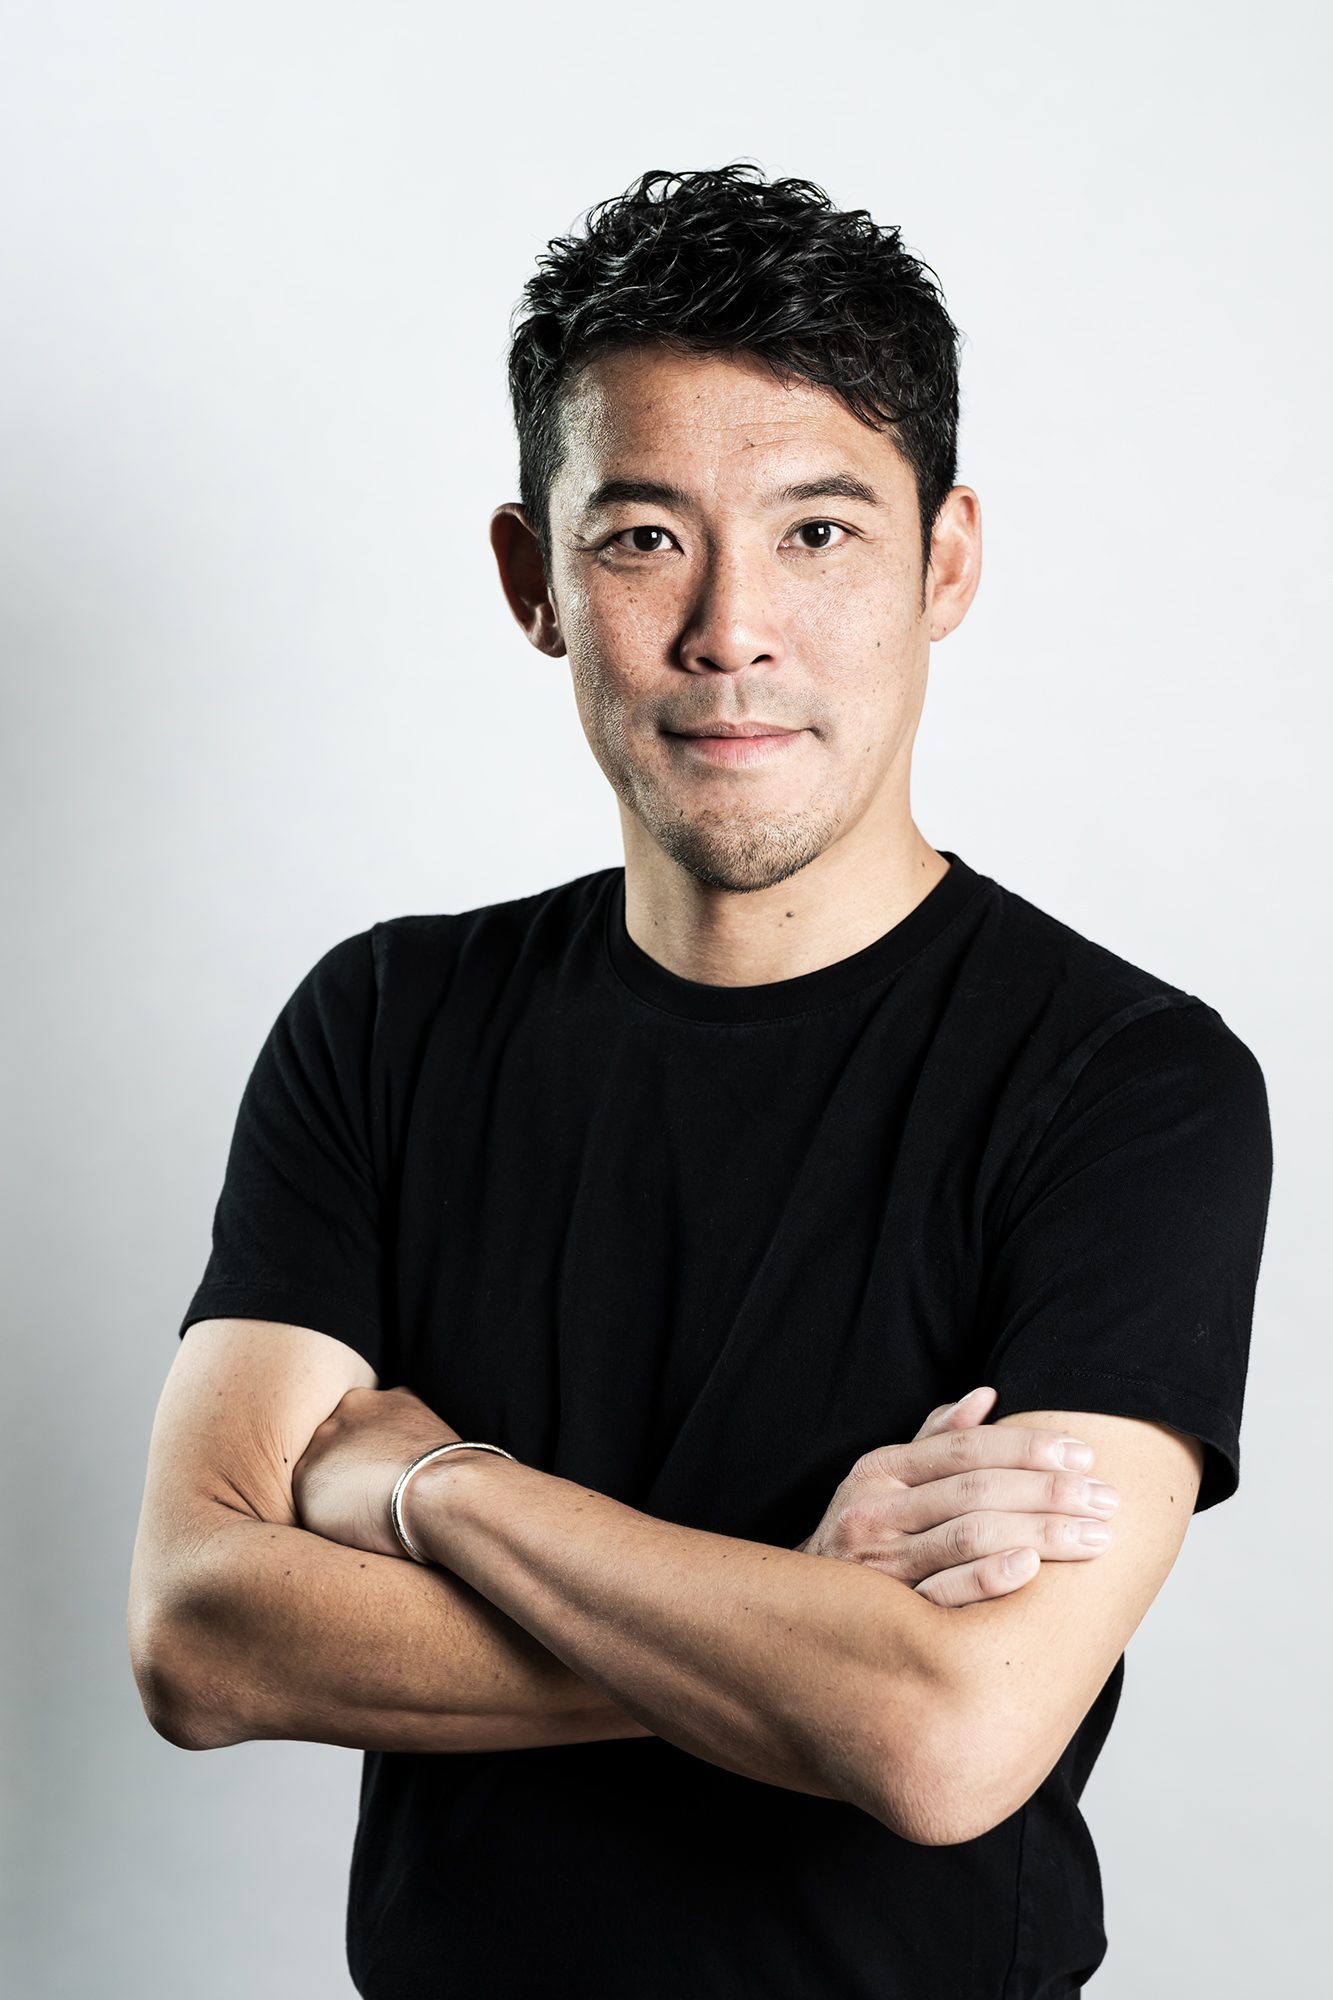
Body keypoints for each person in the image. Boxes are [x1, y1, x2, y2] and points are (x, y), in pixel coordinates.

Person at [128, 164, 1273, 1999]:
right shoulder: (385, 1022)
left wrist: (441, 1492)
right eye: (644, 536)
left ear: (944, 563)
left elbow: (946, 1738)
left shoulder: (1129, 1085)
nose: (731, 627)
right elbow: (199, 1637)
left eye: (817, 532)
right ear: (534, 580)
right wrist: (802, 1618)